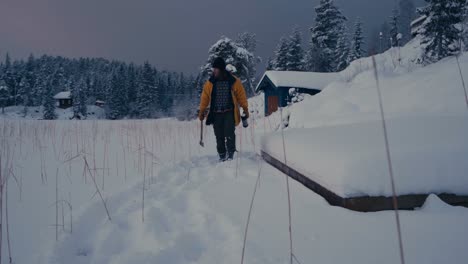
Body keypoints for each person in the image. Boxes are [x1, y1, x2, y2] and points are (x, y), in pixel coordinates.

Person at [198, 57, 249, 161]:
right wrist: (202, 110)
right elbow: (205, 97)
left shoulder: (233, 81)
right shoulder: (210, 83)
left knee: (229, 133)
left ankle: (231, 155)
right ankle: (222, 156)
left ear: (221, 69)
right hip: (216, 113)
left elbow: (241, 96)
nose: (214, 71)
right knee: (219, 136)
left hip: (229, 112)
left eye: (215, 69)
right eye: (213, 69)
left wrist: (245, 108)